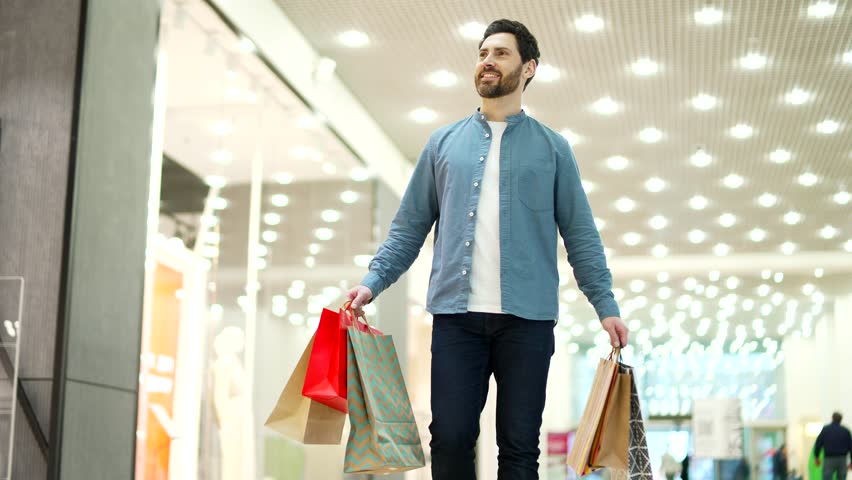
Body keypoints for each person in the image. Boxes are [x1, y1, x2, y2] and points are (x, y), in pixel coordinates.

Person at [346, 18, 627, 480]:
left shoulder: (553, 149)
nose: (487, 62)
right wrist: (371, 283)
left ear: (528, 68)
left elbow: (581, 236)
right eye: (482, 53)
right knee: (451, 438)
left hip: (528, 323)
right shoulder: (443, 144)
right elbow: (408, 228)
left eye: (500, 53)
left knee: (519, 448)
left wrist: (606, 305)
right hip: (457, 320)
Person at [814, 412, 852, 480]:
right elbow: (851, 447)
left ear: (832, 418)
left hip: (829, 459)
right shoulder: (846, 431)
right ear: (841, 419)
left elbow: (818, 443)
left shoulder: (826, 430)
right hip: (842, 459)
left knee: (827, 478)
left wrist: (817, 457)